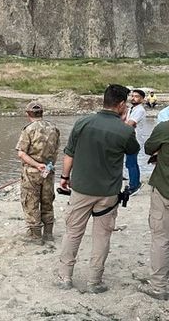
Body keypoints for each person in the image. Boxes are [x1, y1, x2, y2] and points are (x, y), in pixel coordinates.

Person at [56, 84, 140, 293]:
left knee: (73, 233)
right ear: (121, 105)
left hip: (81, 188)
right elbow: (133, 150)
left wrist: (64, 177)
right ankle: (95, 281)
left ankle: (65, 278)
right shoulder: (125, 130)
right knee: (102, 236)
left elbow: (70, 154)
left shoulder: (82, 122)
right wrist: (123, 124)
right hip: (108, 193)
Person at [15, 101, 60, 244]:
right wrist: (47, 165)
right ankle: (48, 233)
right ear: (42, 112)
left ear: (28, 114)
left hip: (32, 172)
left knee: (31, 201)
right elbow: (57, 150)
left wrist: (37, 165)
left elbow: (21, 153)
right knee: (47, 200)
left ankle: (35, 235)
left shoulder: (28, 130)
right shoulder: (54, 128)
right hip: (49, 171)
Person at [139, 117, 169, 300]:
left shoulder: (165, 128)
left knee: (161, 238)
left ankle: (159, 286)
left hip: (165, 190)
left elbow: (148, 148)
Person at [125, 89, 146, 195]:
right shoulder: (131, 109)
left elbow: (130, 124)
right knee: (130, 162)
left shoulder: (140, 110)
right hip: (129, 139)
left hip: (135, 140)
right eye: (132, 96)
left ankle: (134, 185)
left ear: (142, 99)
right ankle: (133, 182)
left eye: (136, 96)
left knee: (131, 162)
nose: (133, 98)